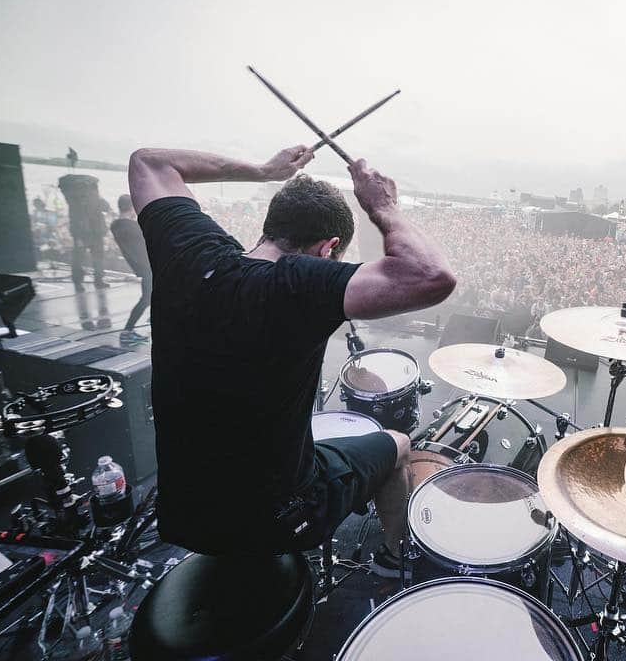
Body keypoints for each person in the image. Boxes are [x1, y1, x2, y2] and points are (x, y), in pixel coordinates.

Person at [128, 145, 455, 576]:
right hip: (274, 518)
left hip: (181, 513)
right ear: (328, 249)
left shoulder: (189, 254)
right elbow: (433, 276)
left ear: (271, 226)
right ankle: (394, 561)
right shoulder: (297, 288)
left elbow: (148, 162)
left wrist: (265, 170)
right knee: (398, 444)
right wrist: (384, 207)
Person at [109, 194, 152, 346]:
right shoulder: (133, 227)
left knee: (152, 297)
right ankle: (127, 331)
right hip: (149, 266)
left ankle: (153, 318)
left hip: (142, 267)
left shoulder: (116, 226)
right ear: (132, 207)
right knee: (146, 299)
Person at [58, 174, 110, 290]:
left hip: (83, 232)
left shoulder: (74, 198)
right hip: (92, 231)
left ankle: (78, 281)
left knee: (79, 257)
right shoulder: (91, 196)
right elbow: (105, 207)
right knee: (96, 257)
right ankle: (98, 280)